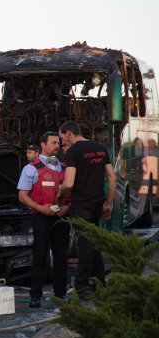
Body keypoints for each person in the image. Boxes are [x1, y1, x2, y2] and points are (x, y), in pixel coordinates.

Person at [57, 121, 116, 298]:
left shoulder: (73, 152)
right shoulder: (99, 148)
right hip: (97, 205)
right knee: (95, 243)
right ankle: (100, 283)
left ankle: (81, 286)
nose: (62, 143)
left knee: (84, 245)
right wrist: (108, 203)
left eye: (62, 138)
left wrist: (60, 193)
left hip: (81, 205)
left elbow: (68, 183)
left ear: (68, 133)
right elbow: (112, 178)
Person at [17, 131, 71, 307]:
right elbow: (22, 196)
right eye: (54, 143)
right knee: (39, 256)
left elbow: (73, 194)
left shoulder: (65, 168)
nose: (57, 146)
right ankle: (36, 295)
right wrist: (41, 208)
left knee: (61, 256)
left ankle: (61, 294)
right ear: (43, 144)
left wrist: (67, 208)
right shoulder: (31, 168)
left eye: (58, 143)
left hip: (61, 218)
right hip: (41, 217)